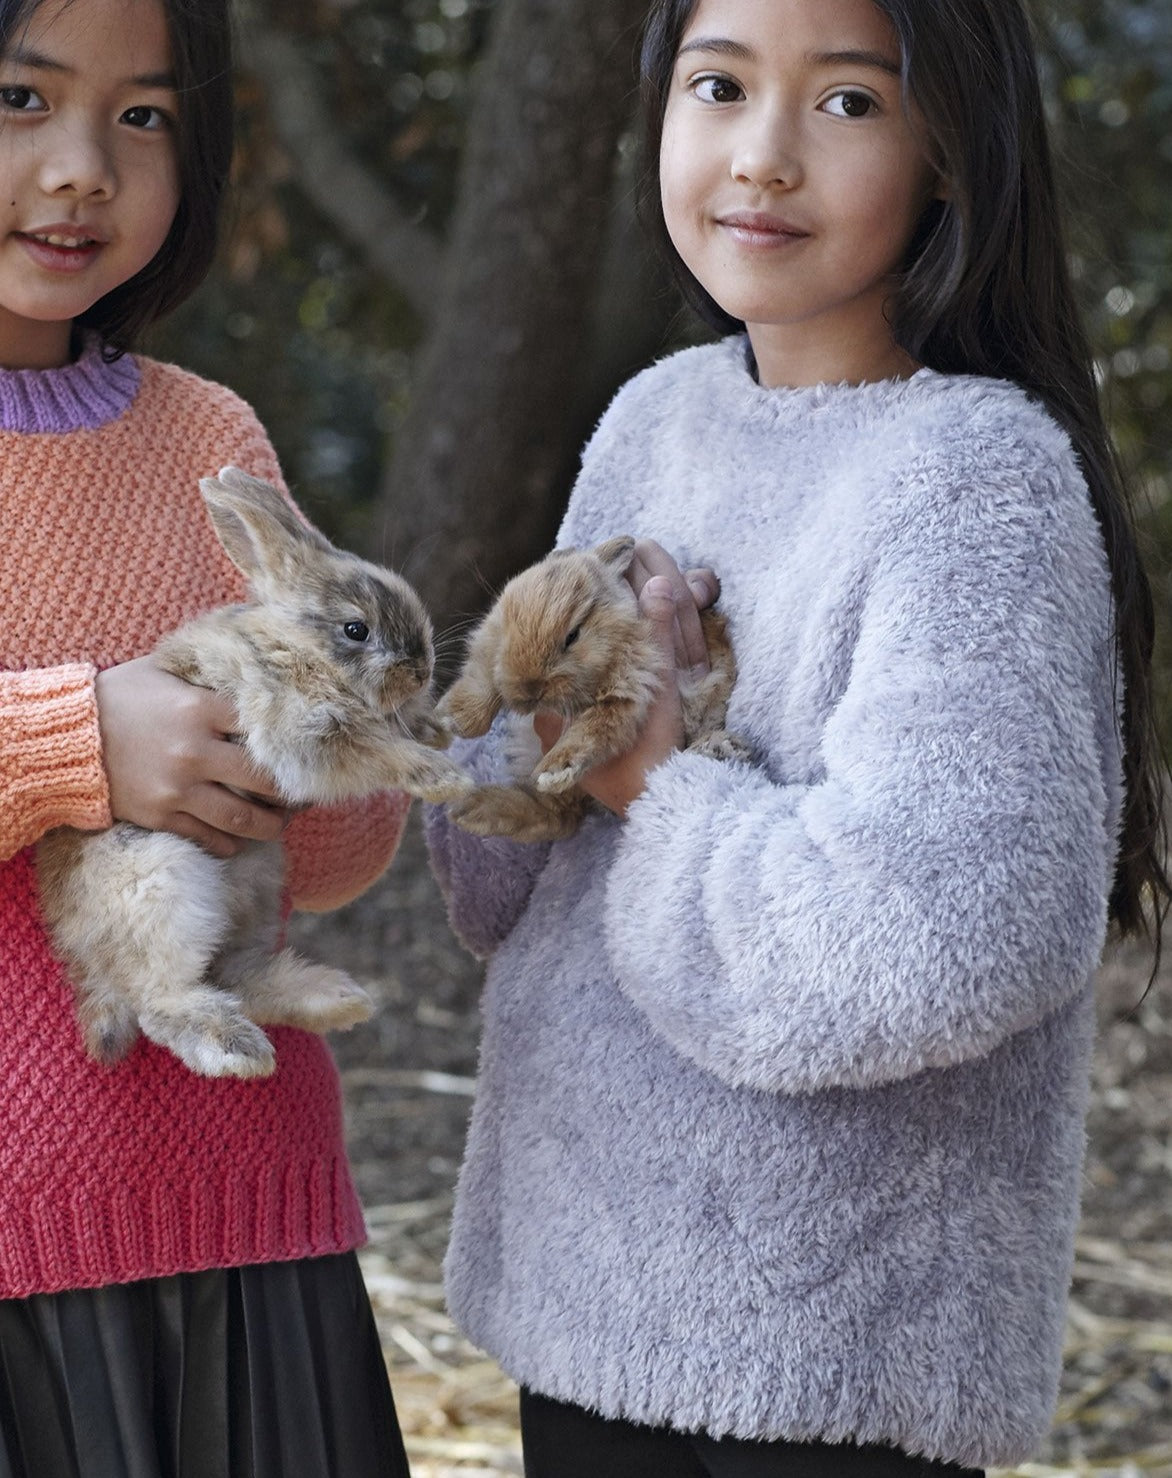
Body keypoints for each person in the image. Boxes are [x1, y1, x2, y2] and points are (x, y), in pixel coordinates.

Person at [424, 0, 1170, 1473]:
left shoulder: (975, 478)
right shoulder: (657, 417)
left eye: (844, 103)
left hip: (831, 1342)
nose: (761, 155)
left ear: (950, 150)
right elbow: (497, 881)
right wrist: (528, 723)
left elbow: (956, 926)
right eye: (720, 85)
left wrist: (657, 768)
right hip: (589, 1279)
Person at [0, 0, 413, 1471]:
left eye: (144, 116)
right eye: (21, 98)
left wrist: (331, 735)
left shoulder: (207, 434)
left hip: (250, 1211)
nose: (80, 170)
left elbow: (345, 855)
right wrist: (75, 741)